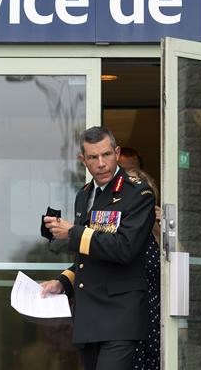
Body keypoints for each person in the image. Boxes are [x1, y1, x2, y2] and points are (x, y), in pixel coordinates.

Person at [41, 126, 156, 370]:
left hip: (120, 317)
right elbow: (88, 257)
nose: (101, 163)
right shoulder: (83, 195)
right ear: (83, 160)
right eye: (93, 157)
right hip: (88, 317)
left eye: (106, 155)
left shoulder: (139, 193)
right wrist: (63, 282)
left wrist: (73, 232)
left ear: (117, 153)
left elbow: (125, 248)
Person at [125, 168, 161, 370]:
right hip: (126, 315)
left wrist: (159, 227)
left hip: (156, 314)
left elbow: (178, 262)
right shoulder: (118, 227)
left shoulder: (157, 229)